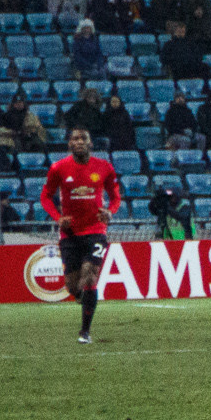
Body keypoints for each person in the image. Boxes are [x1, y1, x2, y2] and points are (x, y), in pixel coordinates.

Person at [40, 126, 121, 344]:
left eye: (83, 138)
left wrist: (110, 212)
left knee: (91, 275)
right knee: (73, 286)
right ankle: (80, 296)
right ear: (69, 144)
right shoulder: (59, 168)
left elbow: (115, 197)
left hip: (96, 231)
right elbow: (45, 197)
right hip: (70, 234)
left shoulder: (104, 167)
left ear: (90, 143)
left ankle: (85, 332)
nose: (79, 142)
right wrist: (58, 217)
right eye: (74, 139)